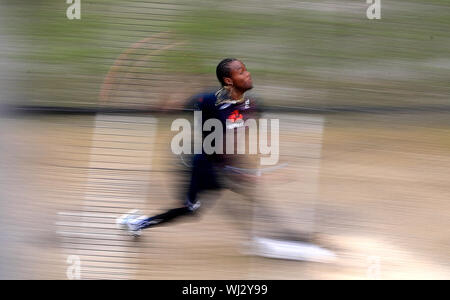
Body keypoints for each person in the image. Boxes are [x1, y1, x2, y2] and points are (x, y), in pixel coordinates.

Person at [117, 58, 336, 262]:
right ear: (229, 80)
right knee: (192, 209)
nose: (247, 74)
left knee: (246, 198)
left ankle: (275, 235)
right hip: (205, 163)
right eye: (241, 71)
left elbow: (238, 134)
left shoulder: (250, 104)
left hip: (224, 162)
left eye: (245, 69)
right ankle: (137, 223)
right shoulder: (208, 100)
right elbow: (174, 108)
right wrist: (161, 104)